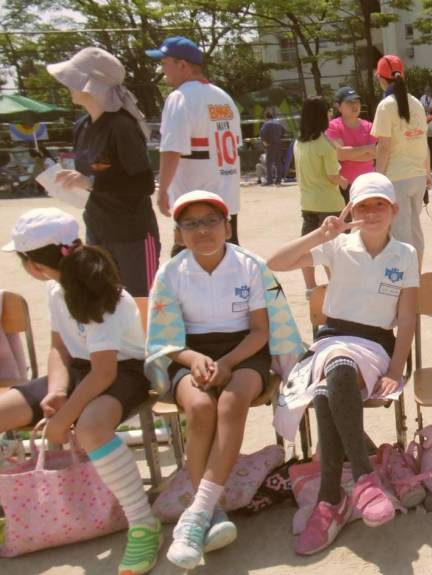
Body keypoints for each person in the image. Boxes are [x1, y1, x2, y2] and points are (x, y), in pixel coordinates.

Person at [0, 208, 162, 575]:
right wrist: (57, 391)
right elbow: (59, 348)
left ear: (34, 265)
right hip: (79, 370)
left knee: (90, 427)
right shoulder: (54, 289)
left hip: (125, 372)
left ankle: (143, 523)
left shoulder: (105, 296)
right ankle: (8, 513)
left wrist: (63, 419)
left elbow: (104, 373)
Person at [267, 173, 419, 556]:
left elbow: (407, 316)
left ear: (394, 209)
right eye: (363, 205)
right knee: (334, 367)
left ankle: (329, 499)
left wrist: (396, 369)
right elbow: (274, 262)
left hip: (375, 346)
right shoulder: (337, 245)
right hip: (332, 339)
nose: (372, 212)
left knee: (328, 382)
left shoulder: (405, 254)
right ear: (351, 210)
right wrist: (321, 234)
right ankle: (363, 480)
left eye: (379, 204)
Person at [154, 191, 274, 569]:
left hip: (245, 351)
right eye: (191, 224)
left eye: (211, 221)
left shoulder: (250, 266)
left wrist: (228, 361)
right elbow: (167, 339)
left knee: (232, 401)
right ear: (179, 233)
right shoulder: (170, 273)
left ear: (228, 227)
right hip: (190, 353)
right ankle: (212, 513)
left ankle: (197, 513)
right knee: (200, 408)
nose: (202, 230)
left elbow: (260, 331)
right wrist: (193, 359)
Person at [46, 47, 160, 297]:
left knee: (141, 303)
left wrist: (91, 183)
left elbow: (144, 184)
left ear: (93, 85)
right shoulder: (82, 125)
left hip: (133, 236)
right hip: (97, 230)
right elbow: (91, 177)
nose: (67, 85)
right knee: (106, 303)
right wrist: (71, 183)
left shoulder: (122, 126)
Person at [147, 36, 243, 247]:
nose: (162, 70)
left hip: (195, 206)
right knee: (228, 260)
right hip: (226, 201)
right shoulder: (224, 97)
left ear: (183, 65)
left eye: (165, 63)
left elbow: (172, 150)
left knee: (189, 262)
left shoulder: (180, 97)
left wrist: (162, 191)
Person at [370, 54, 431, 266]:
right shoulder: (417, 103)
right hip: (418, 176)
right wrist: (427, 172)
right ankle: (416, 276)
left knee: (400, 233)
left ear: (381, 79)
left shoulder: (385, 106)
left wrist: (377, 179)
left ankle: (406, 280)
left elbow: (384, 148)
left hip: (397, 178)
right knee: (415, 230)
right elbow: (423, 141)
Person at [295, 96, 348, 297]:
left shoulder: (298, 143)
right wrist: (345, 182)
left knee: (306, 248)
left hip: (307, 203)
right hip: (329, 203)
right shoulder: (325, 144)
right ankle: (336, 287)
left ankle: (310, 288)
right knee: (332, 249)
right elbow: (332, 176)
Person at [325, 86, 376, 204]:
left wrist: (350, 154)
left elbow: (375, 153)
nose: (355, 105)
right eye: (349, 102)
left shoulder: (369, 126)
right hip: (347, 185)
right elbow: (341, 154)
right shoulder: (333, 126)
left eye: (357, 102)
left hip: (369, 183)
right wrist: (367, 149)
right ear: (338, 106)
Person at [259, 109, 287, 186]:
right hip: (279, 144)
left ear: (265, 117)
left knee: (269, 163)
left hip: (270, 145)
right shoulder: (278, 123)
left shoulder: (266, 124)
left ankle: (269, 180)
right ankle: (278, 180)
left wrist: (264, 142)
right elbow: (284, 132)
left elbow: (262, 133)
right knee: (278, 163)